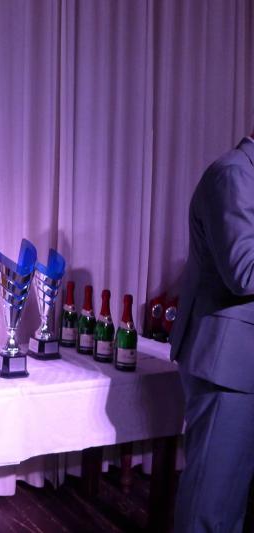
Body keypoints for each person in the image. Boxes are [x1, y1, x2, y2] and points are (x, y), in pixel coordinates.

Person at [170, 132, 254, 533]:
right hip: (228, 366)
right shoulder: (233, 175)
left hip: (242, 367)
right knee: (209, 505)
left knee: (231, 505)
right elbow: (244, 271)